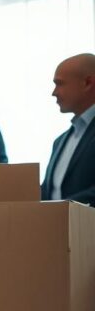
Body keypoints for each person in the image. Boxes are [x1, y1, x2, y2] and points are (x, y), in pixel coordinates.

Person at [43, 53, 95, 205]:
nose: (54, 93)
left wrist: (60, 209)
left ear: (87, 83)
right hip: (59, 228)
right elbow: (50, 193)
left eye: (59, 83)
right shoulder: (60, 141)